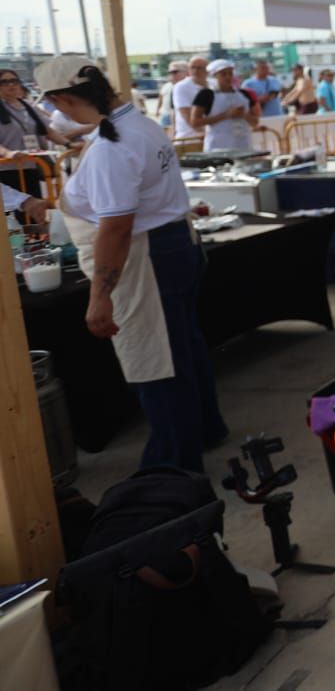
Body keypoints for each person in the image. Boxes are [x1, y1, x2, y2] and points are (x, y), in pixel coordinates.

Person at [37, 55, 226, 473]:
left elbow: (116, 229)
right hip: (172, 246)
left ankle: (176, 464)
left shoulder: (114, 147)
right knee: (183, 350)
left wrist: (99, 297)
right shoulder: (136, 124)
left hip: (146, 258)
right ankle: (206, 430)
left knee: (157, 362)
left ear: (64, 99)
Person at [187, 60, 258, 152]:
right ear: (215, 76)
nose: (228, 77)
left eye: (230, 74)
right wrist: (226, 115)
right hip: (217, 146)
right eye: (223, 74)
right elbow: (195, 122)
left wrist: (244, 115)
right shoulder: (206, 95)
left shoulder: (244, 94)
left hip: (243, 144)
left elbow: (255, 122)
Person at [171, 55, 209, 141]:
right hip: (190, 137)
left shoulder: (213, 85)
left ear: (207, 70)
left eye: (199, 68)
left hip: (210, 136)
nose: (195, 71)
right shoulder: (181, 87)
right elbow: (186, 113)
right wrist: (202, 132)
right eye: (193, 67)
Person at [155, 61, 186, 129]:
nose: (171, 74)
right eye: (170, 72)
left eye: (175, 72)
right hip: (166, 115)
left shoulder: (188, 87)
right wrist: (157, 110)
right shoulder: (166, 86)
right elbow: (160, 98)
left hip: (181, 119)